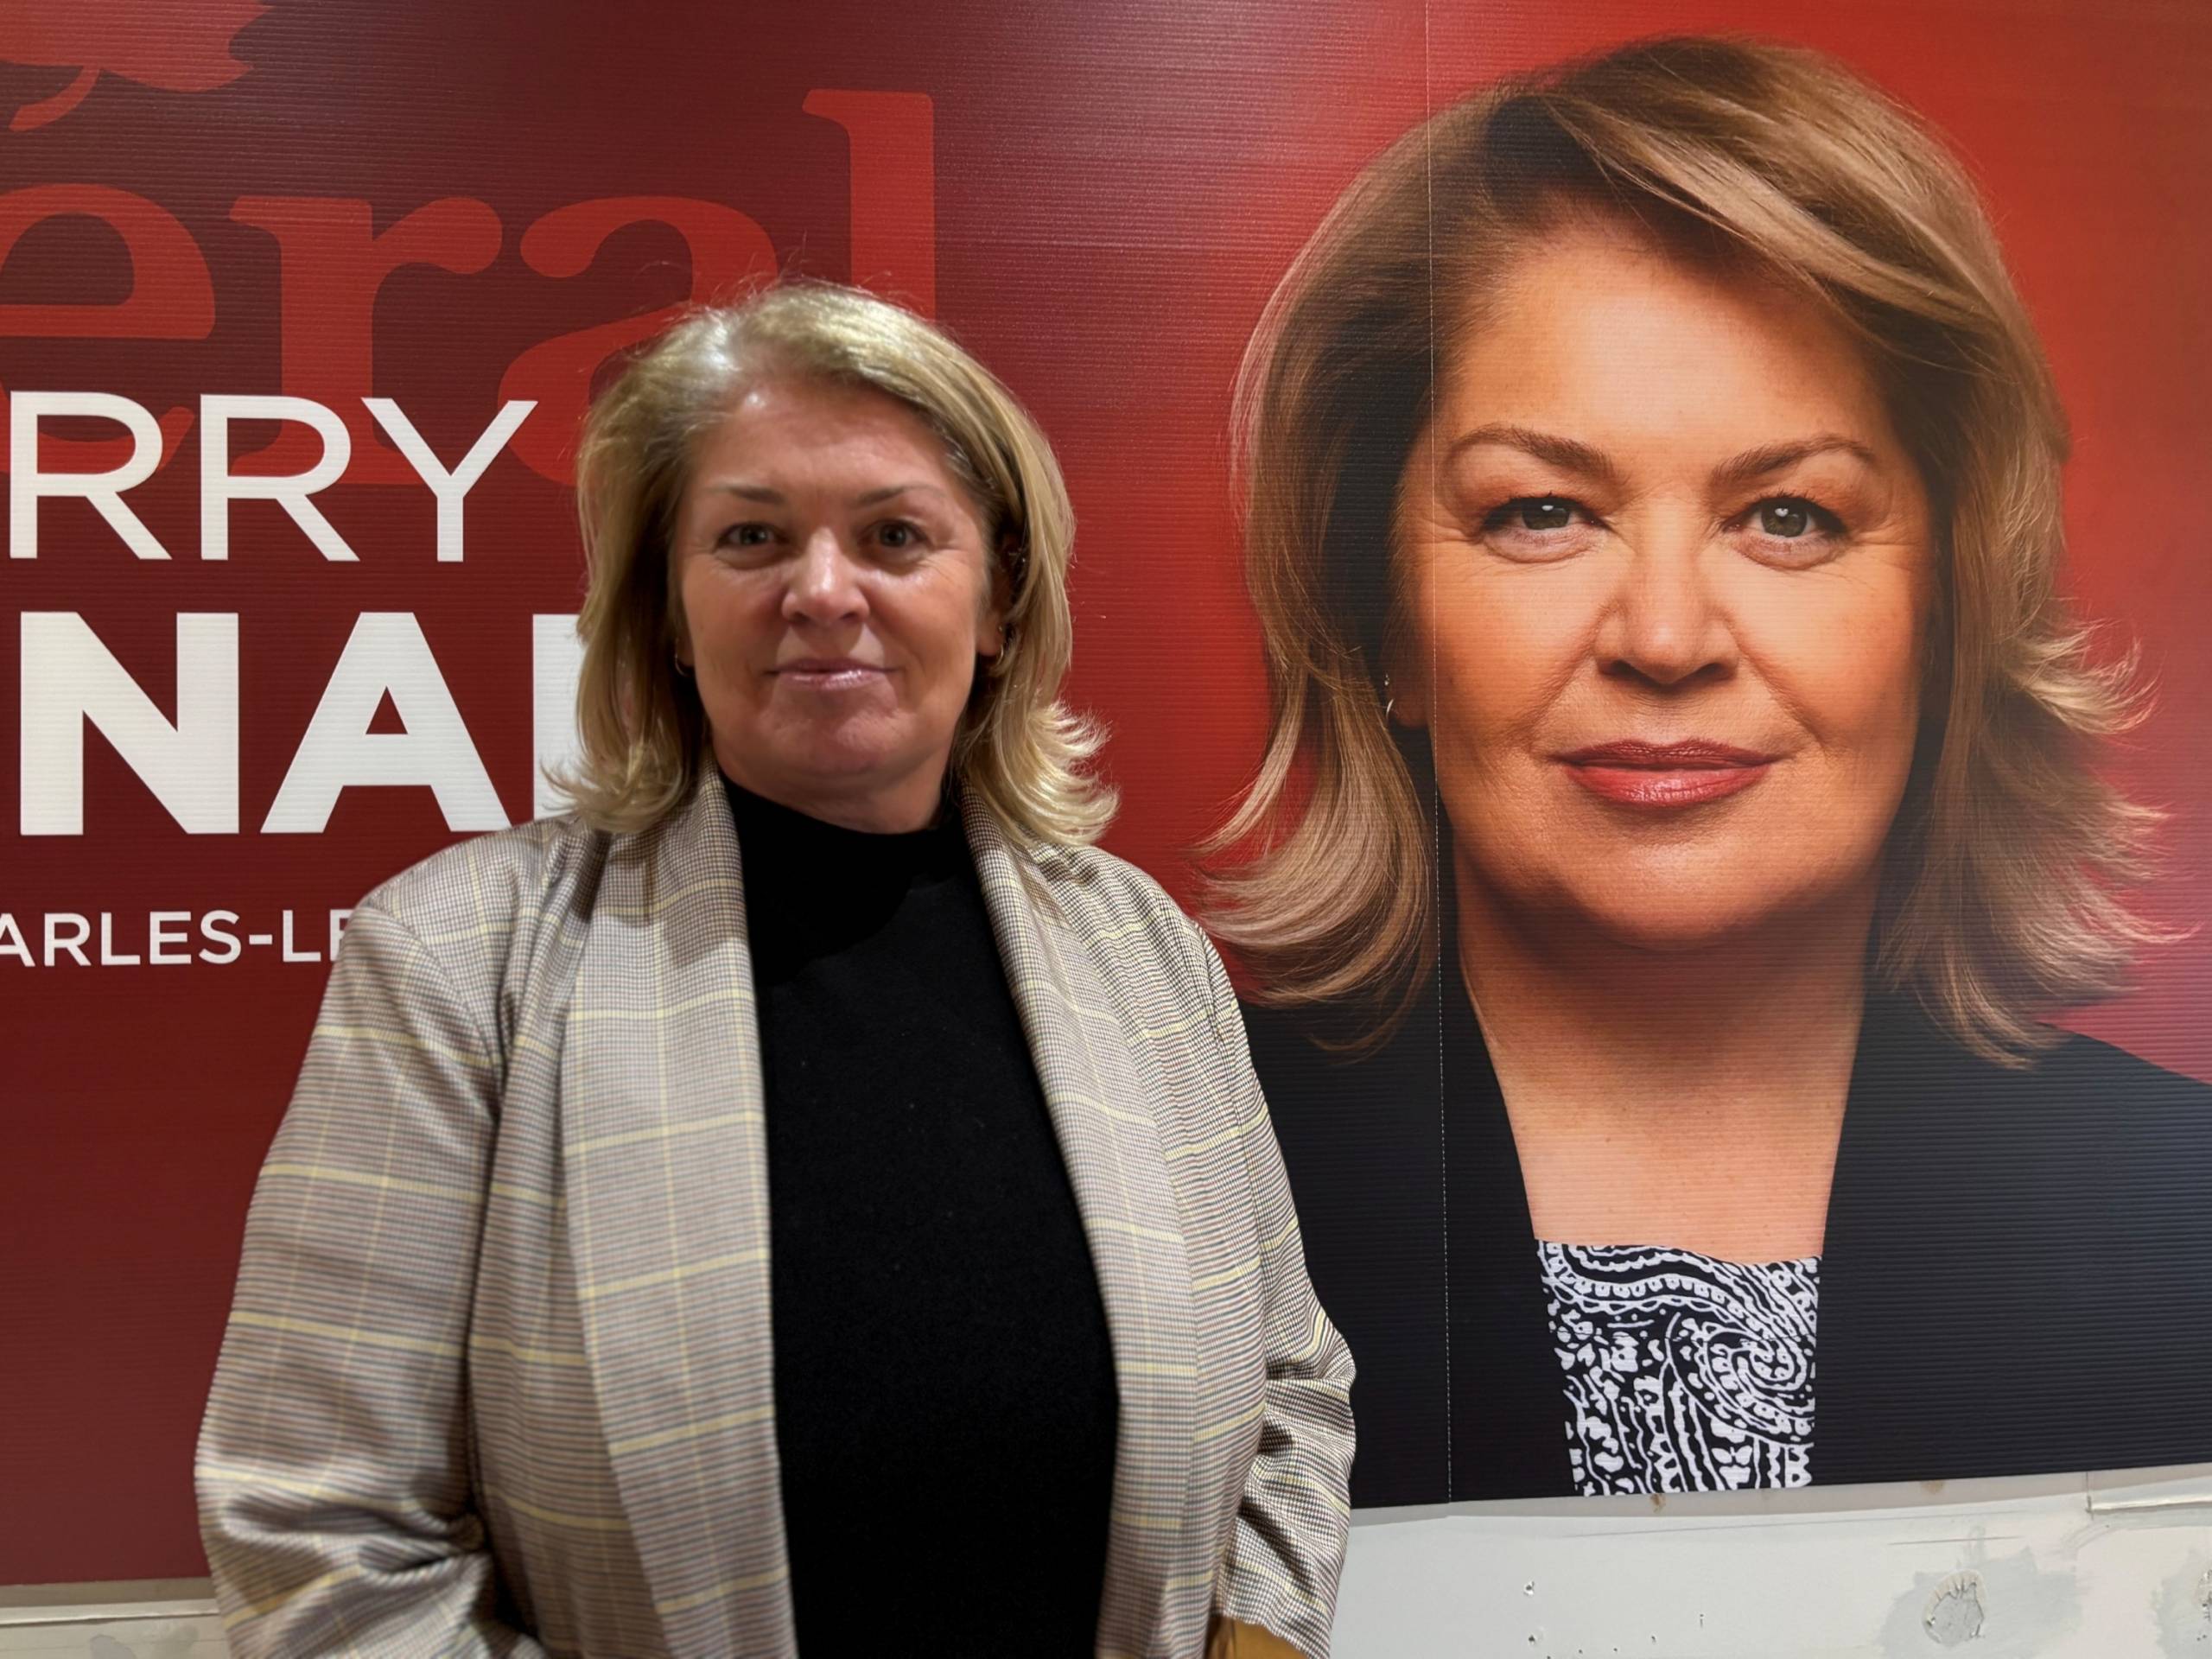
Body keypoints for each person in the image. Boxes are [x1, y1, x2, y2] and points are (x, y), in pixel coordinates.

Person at [197, 283, 1352, 1657]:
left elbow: (1293, 1385)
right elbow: (321, 1538)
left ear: (998, 601)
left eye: (895, 536)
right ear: (667, 613)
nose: (822, 592)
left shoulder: (1144, 950)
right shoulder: (458, 962)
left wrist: (1262, 1637)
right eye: (751, 536)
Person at [1211, 36, 2212, 1507]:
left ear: (1949, 614)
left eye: (1790, 516)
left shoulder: (2187, 1212)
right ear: (1385, 622)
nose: (1666, 637)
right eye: (1543, 511)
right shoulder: (1157, 1202)